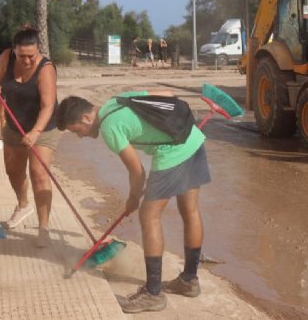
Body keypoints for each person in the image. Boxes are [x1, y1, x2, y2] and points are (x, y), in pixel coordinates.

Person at [55, 91, 210, 313]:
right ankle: (189, 280)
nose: (79, 136)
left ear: (86, 119)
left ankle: (153, 294)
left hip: (172, 151)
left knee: (148, 216)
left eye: (76, 130)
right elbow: (166, 94)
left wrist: (133, 199)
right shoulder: (116, 100)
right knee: (190, 211)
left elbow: (137, 171)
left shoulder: (109, 127)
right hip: (192, 138)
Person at [0, 27, 60, 248]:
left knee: (38, 175)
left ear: (39, 50)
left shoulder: (46, 69)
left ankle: (44, 227)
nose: (27, 60)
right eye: (22, 55)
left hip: (43, 128)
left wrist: (35, 132)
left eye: (32, 56)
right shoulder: (7, 58)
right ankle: (23, 204)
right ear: (14, 50)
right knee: (13, 171)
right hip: (14, 125)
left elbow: (47, 107)